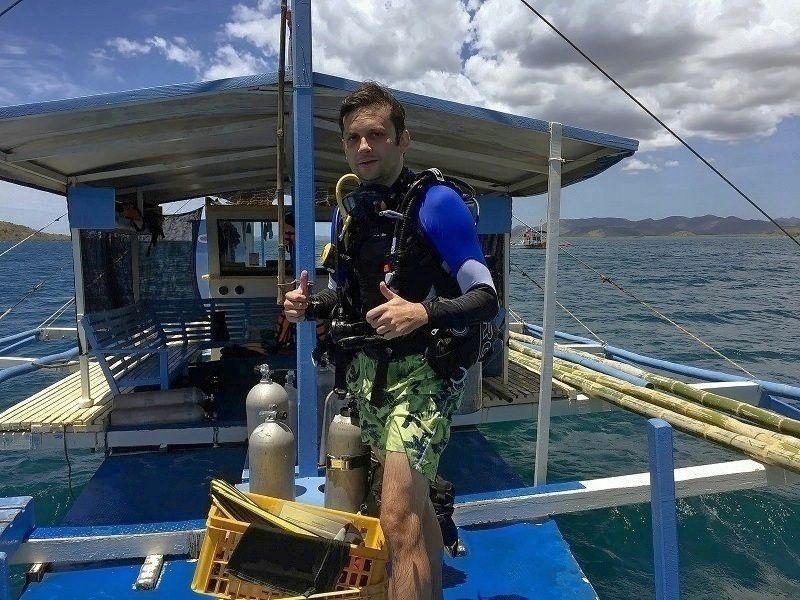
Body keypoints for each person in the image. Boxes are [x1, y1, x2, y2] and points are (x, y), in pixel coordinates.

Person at [284, 81, 498, 599]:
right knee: (416, 512)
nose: (364, 146)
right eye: (353, 137)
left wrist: (422, 311)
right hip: (371, 378)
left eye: (377, 134)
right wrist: (308, 307)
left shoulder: (437, 204)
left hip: (426, 375)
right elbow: (348, 302)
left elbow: (487, 296)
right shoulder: (347, 212)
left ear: (403, 139)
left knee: (396, 517)